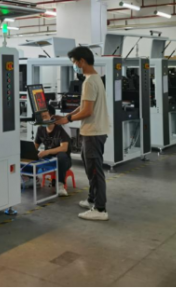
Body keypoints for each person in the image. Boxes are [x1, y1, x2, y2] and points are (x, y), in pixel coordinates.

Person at [54, 46, 110, 221]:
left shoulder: (89, 82)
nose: (74, 66)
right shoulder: (95, 79)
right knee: (90, 168)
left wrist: (68, 119)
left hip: (93, 132)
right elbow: (83, 106)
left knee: (95, 171)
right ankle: (92, 199)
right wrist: (66, 116)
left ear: (82, 61)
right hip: (95, 131)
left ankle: (100, 209)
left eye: (74, 62)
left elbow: (87, 111)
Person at [35, 104, 72, 197]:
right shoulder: (40, 129)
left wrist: (47, 151)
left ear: (52, 117)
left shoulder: (60, 129)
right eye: (41, 117)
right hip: (49, 159)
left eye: (45, 116)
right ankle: (31, 179)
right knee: (32, 154)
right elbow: (35, 146)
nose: (43, 119)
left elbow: (64, 148)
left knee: (61, 156)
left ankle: (60, 185)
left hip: (64, 161)